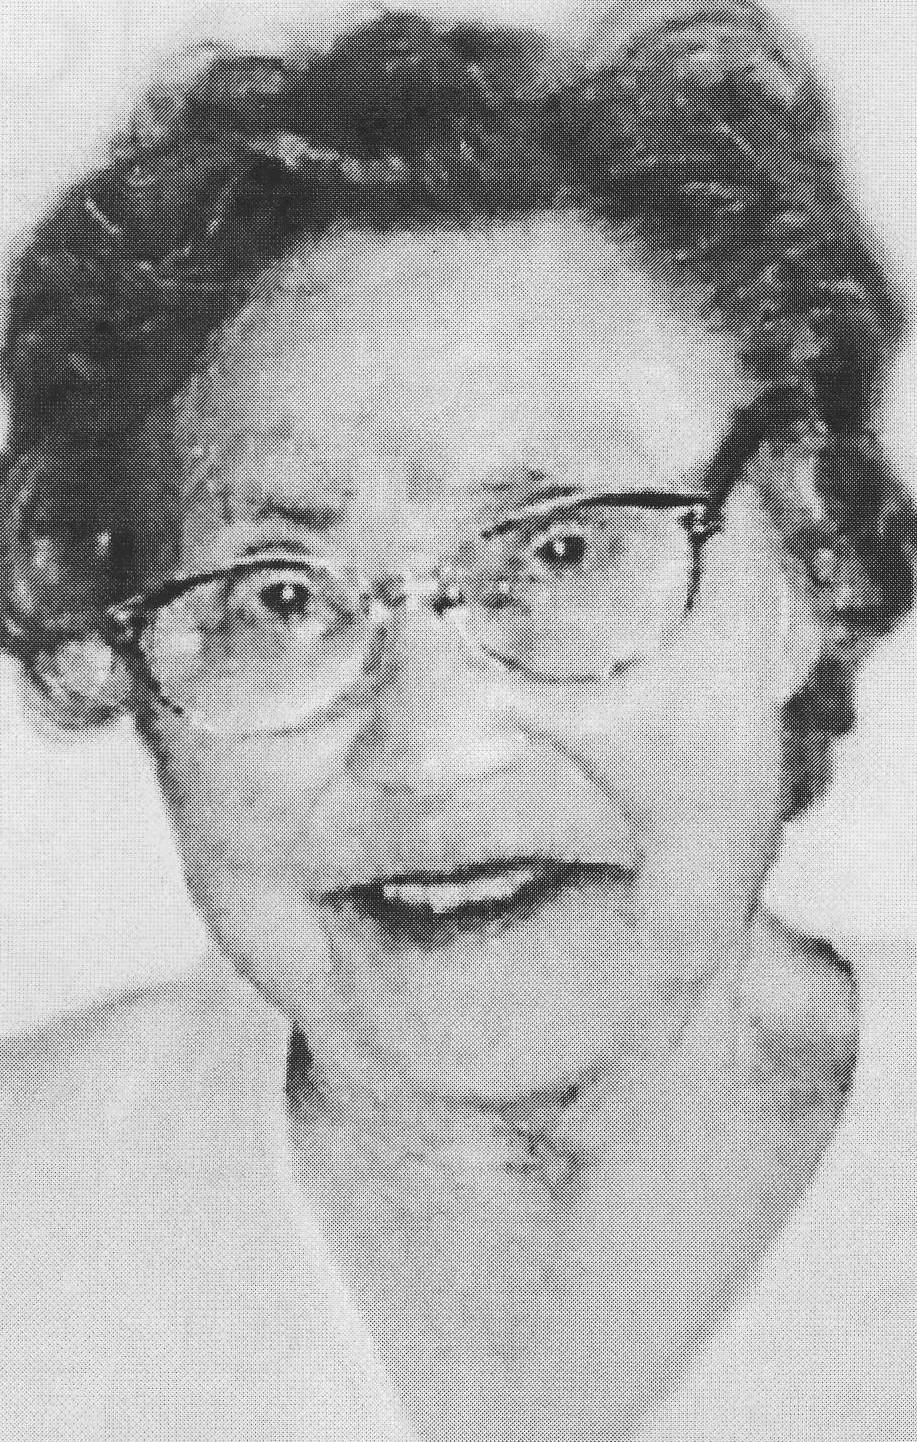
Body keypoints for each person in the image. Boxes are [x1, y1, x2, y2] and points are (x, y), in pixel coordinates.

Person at [0, 4, 911, 1439]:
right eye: (280, 595)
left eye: (561, 550)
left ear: (811, 560)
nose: (429, 749)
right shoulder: (34, 1211)